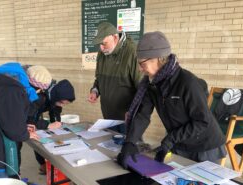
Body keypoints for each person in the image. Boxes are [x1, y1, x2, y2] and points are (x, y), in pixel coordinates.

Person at [117, 31, 226, 168]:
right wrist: (130, 142)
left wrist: (170, 139)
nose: (139, 69)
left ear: (157, 59)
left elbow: (202, 121)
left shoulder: (188, 83)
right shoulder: (151, 84)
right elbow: (143, 115)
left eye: (142, 64)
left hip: (205, 146)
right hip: (179, 144)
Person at [88, 22, 141, 133]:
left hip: (127, 119)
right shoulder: (102, 54)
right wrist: (95, 91)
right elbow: (99, 79)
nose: (101, 48)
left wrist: (133, 112)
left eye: (104, 43)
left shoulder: (132, 52)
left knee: (128, 148)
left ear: (115, 37)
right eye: (99, 45)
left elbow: (142, 89)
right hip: (108, 117)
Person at [24, 65, 76, 174]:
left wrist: (57, 123)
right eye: (62, 102)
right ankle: (42, 165)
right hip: (30, 112)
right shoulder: (39, 95)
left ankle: (53, 163)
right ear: (56, 97)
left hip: (37, 110)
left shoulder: (56, 96)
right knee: (36, 135)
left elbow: (56, 111)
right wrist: (47, 125)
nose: (62, 105)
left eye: (65, 104)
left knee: (50, 133)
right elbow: (28, 119)